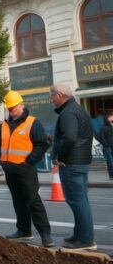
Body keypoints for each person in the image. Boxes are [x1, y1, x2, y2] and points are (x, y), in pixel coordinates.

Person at [0, 91, 53, 247]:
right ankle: (24, 231)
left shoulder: (33, 123)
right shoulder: (4, 125)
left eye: (14, 107)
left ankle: (45, 234)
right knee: (18, 201)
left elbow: (42, 143)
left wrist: (30, 160)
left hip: (25, 169)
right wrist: (0, 159)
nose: (12, 110)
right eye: (9, 108)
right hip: (10, 169)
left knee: (33, 200)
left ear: (22, 104)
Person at [50, 83, 96, 250]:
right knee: (80, 200)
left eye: (52, 96)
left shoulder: (68, 113)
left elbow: (69, 137)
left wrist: (60, 157)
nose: (51, 99)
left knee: (77, 201)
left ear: (61, 95)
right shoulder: (77, 109)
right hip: (81, 161)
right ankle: (80, 234)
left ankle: (85, 240)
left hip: (72, 163)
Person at [97, 111, 113, 180]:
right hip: (107, 147)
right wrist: (105, 144)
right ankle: (111, 175)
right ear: (107, 118)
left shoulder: (111, 126)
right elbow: (100, 137)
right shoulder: (103, 127)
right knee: (110, 161)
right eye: (111, 116)